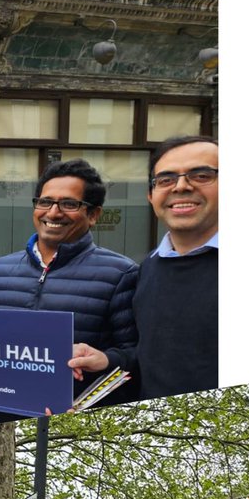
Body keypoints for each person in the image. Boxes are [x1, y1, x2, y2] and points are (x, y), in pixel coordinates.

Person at [70, 135, 219, 400]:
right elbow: (150, 356)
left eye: (202, 175)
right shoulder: (150, 267)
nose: (181, 186)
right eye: (166, 179)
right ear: (151, 195)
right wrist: (105, 359)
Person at [0, 158, 138, 398]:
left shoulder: (121, 274)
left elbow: (135, 354)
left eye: (69, 204)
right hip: (1, 407)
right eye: (45, 202)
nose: (53, 213)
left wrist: (106, 359)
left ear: (93, 214)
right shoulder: (0, 270)